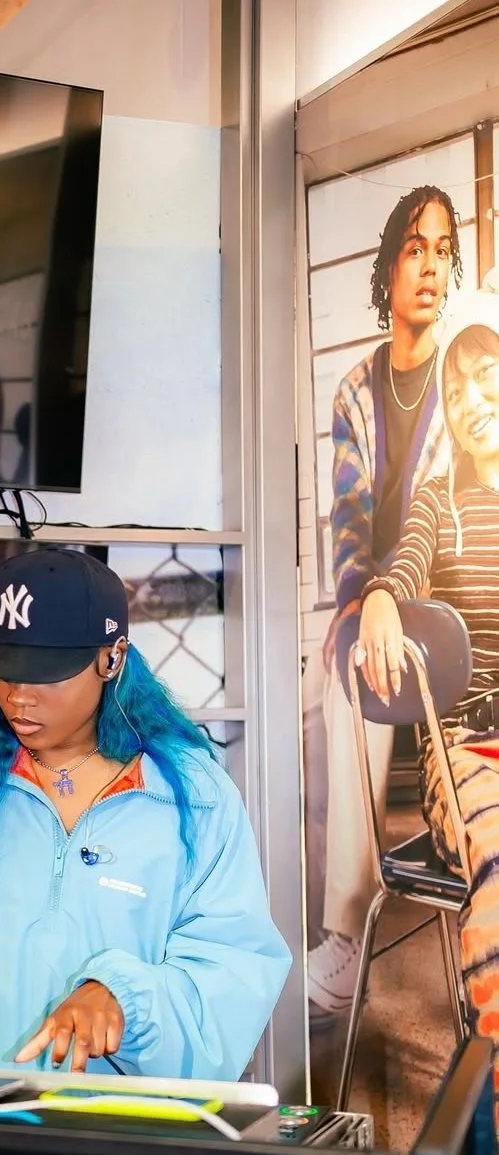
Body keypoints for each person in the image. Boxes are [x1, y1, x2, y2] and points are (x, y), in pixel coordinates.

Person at [0, 549, 291, 1079]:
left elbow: (232, 970)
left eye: (44, 671)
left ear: (112, 659)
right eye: (3, 670)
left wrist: (124, 1001)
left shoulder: (194, 799)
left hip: (117, 1122)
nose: (18, 696)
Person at [304, 185, 460, 1023]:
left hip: (443, 599)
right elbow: (348, 512)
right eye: (414, 247)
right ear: (388, 268)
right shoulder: (353, 390)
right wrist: (356, 597)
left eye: (442, 248)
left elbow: (439, 515)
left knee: (360, 669)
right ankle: (328, 921)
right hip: (372, 596)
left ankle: (344, 931)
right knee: (314, 694)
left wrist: (382, 600)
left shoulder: (462, 372)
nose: (430, 265)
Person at [355, 274, 499, 1110]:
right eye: (456, 387)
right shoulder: (439, 504)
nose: (471, 399)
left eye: (486, 375)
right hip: (465, 756)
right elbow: (403, 561)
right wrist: (381, 596)